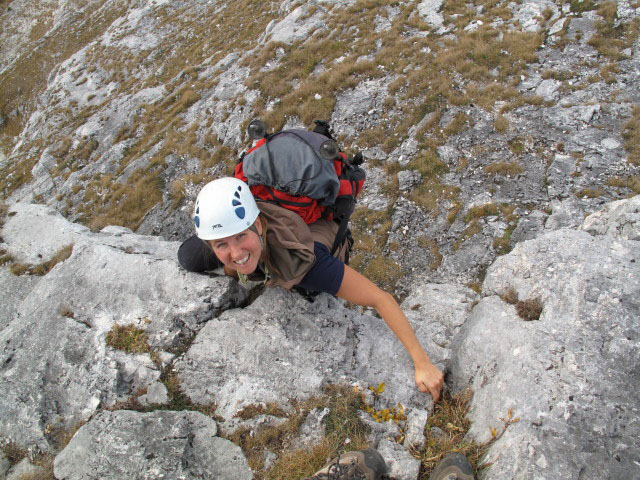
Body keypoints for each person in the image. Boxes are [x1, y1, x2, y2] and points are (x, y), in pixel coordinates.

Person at [178, 177, 444, 401]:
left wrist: (422, 363)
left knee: (310, 290)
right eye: (220, 244)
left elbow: (380, 299)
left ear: (258, 225)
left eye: (241, 237)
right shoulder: (237, 228)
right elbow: (232, 256)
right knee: (187, 258)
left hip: (315, 235)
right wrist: (234, 264)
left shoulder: (309, 264)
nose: (235, 251)